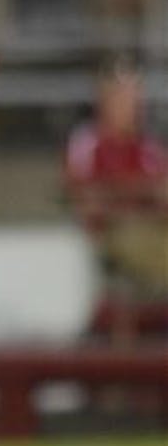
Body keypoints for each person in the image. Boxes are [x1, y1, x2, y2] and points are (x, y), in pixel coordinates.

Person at [65, 59, 168, 342]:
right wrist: (138, 193)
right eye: (125, 97)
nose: (133, 105)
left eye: (136, 98)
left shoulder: (148, 148)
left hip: (153, 232)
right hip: (116, 234)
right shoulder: (88, 143)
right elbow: (86, 195)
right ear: (105, 101)